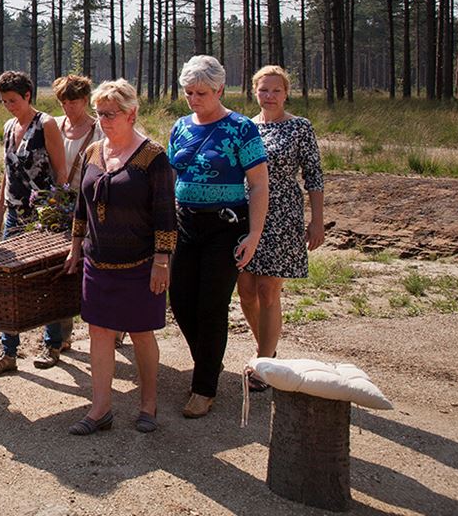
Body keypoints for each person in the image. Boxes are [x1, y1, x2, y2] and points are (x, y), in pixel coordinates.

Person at [63, 79, 174, 435]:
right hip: (98, 262)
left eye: (111, 114)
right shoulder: (93, 151)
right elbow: (82, 205)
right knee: (99, 331)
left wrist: (162, 261)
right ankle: (101, 409)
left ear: (132, 114)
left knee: (142, 333)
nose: (104, 120)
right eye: (100, 113)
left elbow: (165, 215)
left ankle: (148, 403)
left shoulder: (153, 157)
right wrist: (75, 246)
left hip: (141, 264)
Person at [167, 55, 269, 419]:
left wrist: (254, 234)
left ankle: (204, 387)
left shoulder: (242, 129)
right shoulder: (180, 127)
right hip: (184, 224)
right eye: (189, 92)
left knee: (211, 305)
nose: (194, 99)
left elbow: (258, 184)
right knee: (179, 299)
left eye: (202, 93)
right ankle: (208, 361)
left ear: (220, 90)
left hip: (225, 227)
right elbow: (171, 177)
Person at [237, 66, 325, 391]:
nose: (269, 96)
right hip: (246, 214)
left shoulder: (300, 127)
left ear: (286, 93)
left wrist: (316, 220)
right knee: (245, 290)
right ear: (255, 92)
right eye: (264, 90)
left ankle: (263, 364)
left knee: (268, 290)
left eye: (276, 90)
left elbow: (314, 175)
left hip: (284, 215)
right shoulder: (245, 127)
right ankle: (269, 348)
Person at [0, 71, 69, 376]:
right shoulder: (9, 127)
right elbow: (7, 173)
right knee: (9, 282)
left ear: (27, 96)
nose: (9, 106)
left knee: (46, 279)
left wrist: (56, 216)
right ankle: (8, 352)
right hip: (14, 213)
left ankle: (52, 345)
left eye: (13, 100)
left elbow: (61, 173)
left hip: (43, 215)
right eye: (4, 101)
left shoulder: (46, 124)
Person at [37, 74, 107, 368]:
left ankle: (111, 326)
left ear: (86, 100)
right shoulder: (53, 125)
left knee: (96, 269)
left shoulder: (100, 129)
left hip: (92, 208)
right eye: (63, 101)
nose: (68, 107)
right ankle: (59, 338)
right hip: (58, 208)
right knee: (59, 269)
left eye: (74, 101)